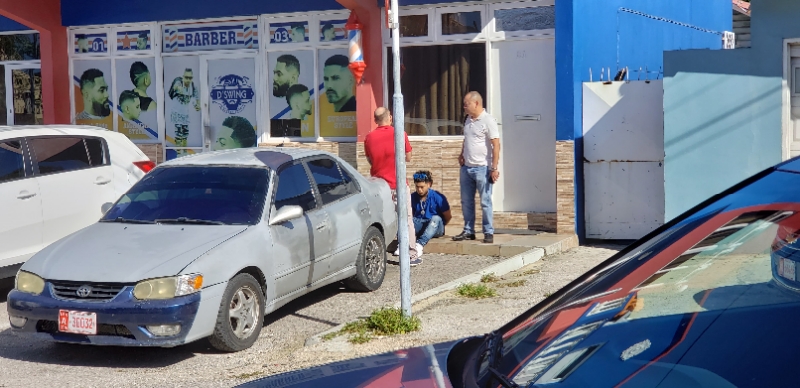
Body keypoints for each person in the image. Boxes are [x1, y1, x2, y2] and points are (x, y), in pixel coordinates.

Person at [365, 107, 421, 265]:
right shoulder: (400, 134)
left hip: (379, 187)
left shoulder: (369, 138)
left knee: (380, 220)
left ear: (375, 120)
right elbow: (408, 157)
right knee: (406, 219)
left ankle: (377, 256)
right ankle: (411, 255)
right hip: (398, 184)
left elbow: (370, 160)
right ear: (390, 117)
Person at [453, 91, 501, 244]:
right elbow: (467, 139)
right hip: (466, 168)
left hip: (483, 168)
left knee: (485, 201)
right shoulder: (468, 119)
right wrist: (462, 154)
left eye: (466, 104)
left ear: (476, 103)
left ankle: (488, 232)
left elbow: (496, 145)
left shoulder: (488, 120)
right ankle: (468, 231)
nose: (464, 107)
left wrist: (494, 168)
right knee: (466, 201)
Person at [400, 170, 452, 254]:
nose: (419, 190)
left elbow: (448, 216)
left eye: (422, 187)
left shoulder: (437, 196)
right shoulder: (412, 197)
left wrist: (436, 225)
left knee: (436, 218)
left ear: (429, 184)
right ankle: (401, 244)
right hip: (420, 224)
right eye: (417, 187)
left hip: (434, 226)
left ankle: (419, 244)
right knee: (405, 219)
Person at [168, 68, 200, 148]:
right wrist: (178, 88)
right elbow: (176, 86)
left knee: (185, 134)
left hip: (185, 114)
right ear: (183, 77)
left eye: (190, 78)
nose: (188, 80)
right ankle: (179, 152)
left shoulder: (193, 87)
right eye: (186, 77)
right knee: (178, 134)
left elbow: (197, 99)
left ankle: (184, 151)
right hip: (177, 113)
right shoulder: (179, 82)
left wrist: (197, 106)